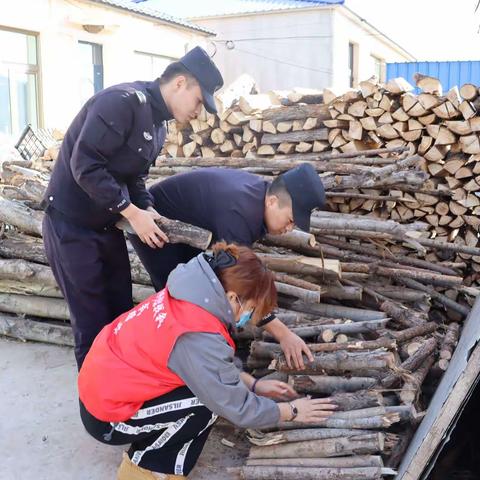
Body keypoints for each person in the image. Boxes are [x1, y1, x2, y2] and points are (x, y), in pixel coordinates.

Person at [78, 242, 336, 479]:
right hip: (107, 416)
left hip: (103, 387)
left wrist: (253, 386)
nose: (250, 318)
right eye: (253, 310)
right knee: (205, 405)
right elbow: (234, 406)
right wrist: (291, 412)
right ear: (234, 298)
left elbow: (208, 367)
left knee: (206, 396)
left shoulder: (192, 290)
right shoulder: (195, 333)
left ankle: (168, 467)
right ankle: (143, 470)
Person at [42, 46, 223, 368]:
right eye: (199, 100)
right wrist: (132, 212)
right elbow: (85, 166)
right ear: (180, 83)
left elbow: (136, 178)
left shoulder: (158, 126)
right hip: (70, 226)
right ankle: (96, 410)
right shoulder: (122, 102)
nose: (199, 111)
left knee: (120, 314)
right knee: (92, 323)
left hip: (105, 226)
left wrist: (148, 209)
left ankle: (121, 393)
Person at [129, 163, 326, 369]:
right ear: (273, 201)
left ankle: (206, 354)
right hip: (157, 225)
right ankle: (178, 361)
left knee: (210, 289)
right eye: (290, 220)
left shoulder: (260, 199)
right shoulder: (241, 213)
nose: (289, 229)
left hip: (194, 227)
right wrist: (283, 334)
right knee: (181, 299)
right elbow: (241, 285)